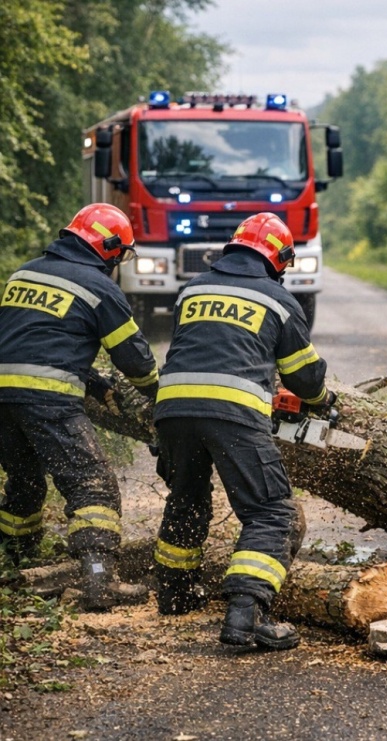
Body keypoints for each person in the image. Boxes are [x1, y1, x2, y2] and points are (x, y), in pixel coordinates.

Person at [152, 212, 332, 651]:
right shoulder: (277, 299)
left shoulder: (192, 289)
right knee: (271, 512)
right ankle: (246, 616)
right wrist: (323, 402)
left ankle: (175, 596)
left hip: (173, 409)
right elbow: (304, 378)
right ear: (278, 258)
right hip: (231, 415)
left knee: (187, 498)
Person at [0, 203, 158, 610]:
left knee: (26, 480)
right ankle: (100, 581)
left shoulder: (26, 272)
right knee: (92, 483)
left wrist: (91, 381)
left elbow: (33, 340)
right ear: (106, 247)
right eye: (119, 254)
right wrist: (157, 392)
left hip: (3, 397)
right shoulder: (99, 286)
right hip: (47, 401)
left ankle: (16, 565)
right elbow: (135, 360)